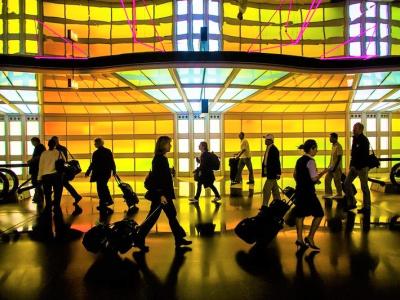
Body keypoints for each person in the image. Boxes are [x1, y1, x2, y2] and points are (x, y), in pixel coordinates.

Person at [136, 136, 192, 252]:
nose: (170, 146)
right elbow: (158, 179)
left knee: (171, 214)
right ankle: (138, 238)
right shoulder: (159, 159)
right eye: (168, 144)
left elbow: (162, 176)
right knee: (154, 217)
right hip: (161, 195)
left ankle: (179, 238)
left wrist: (169, 172)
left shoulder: (161, 158)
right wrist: (161, 195)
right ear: (163, 145)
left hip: (164, 194)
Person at [294, 139, 328, 251]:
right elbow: (314, 178)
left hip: (299, 191)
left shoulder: (299, 160)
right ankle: (310, 237)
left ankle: (299, 238)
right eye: (316, 148)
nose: (317, 151)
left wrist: (303, 181)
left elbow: (295, 175)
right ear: (311, 148)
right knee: (319, 214)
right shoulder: (311, 161)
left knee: (300, 215)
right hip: (308, 193)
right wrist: (323, 172)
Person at [344, 122, 371, 214]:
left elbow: (364, 156)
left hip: (362, 167)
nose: (353, 129)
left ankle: (367, 206)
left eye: (355, 128)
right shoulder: (355, 139)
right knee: (346, 183)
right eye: (353, 128)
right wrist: (351, 165)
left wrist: (357, 167)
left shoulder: (364, 140)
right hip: (354, 167)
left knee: (364, 187)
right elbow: (353, 154)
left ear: (360, 129)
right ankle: (352, 202)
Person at [85, 138, 116, 213]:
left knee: (100, 188)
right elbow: (112, 161)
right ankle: (106, 202)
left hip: (98, 173)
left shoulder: (96, 153)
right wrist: (114, 170)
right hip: (106, 172)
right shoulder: (108, 151)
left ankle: (106, 201)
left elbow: (93, 163)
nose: (94, 145)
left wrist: (88, 171)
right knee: (103, 186)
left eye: (95, 143)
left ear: (99, 144)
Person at [51, 136, 82, 204]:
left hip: (61, 170)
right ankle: (76, 196)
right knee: (64, 184)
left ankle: (56, 200)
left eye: (55, 140)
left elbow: (63, 160)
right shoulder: (61, 148)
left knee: (60, 184)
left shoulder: (59, 149)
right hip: (61, 169)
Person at [38, 139, 66, 209]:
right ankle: (57, 205)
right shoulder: (59, 152)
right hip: (56, 175)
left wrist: (39, 177)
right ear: (55, 145)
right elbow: (64, 161)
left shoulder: (44, 153)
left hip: (46, 176)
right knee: (57, 192)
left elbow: (41, 166)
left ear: (48, 145)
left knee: (47, 192)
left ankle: (48, 205)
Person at [261, 134, 281, 206]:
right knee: (275, 190)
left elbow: (277, 162)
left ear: (270, 141)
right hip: (268, 170)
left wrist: (278, 173)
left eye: (266, 139)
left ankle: (264, 205)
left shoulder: (274, 150)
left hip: (272, 172)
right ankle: (278, 203)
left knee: (266, 189)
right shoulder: (268, 148)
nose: (265, 141)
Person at [324, 133, 343, 200]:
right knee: (327, 179)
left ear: (335, 138)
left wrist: (335, 168)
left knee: (337, 181)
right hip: (331, 167)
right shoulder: (333, 146)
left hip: (337, 167)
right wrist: (329, 166)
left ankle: (339, 194)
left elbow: (339, 158)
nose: (330, 139)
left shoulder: (338, 146)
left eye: (331, 138)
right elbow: (332, 158)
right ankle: (328, 193)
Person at [28, 137, 46, 203]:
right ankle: (38, 197)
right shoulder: (40, 147)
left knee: (36, 183)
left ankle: (39, 198)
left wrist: (31, 160)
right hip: (37, 168)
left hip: (36, 169)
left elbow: (39, 157)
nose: (32, 143)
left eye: (32, 142)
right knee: (37, 183)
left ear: (36, 141)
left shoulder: (39, 147)